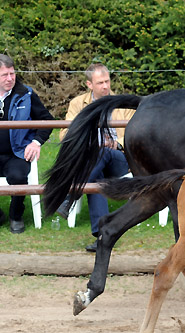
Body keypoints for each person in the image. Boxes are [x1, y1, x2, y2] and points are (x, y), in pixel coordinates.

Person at [56, 63, 134, 251]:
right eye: (100, 83)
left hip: (119, 159)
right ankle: (102, 237)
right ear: (89, 85)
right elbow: (63, 134)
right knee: (96, 178)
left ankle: (71, 195)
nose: (106, 86)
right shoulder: (77, 104)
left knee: (104, 152)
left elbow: (137, 132)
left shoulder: (123, 102)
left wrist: (118, 143)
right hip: (92, 162)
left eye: (107, 81)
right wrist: (86, 139)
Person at [0, 54, 54, 233]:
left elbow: (47, 121)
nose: (10, 79)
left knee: (17, 177)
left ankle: (16, 216)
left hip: (18, 153)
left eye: (12, 74)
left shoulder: (26, 94)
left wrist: (36, 142)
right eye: (4, 75)